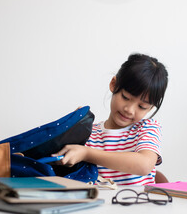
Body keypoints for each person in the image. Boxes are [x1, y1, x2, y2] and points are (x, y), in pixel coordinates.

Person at [53, 53, 168, 185]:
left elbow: (144, 165)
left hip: (139, 204)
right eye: (125, 97)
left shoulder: (147, 128)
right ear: (113, 84)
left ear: (150, 108)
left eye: (142, 106)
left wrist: (87, 154)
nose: (129, 110)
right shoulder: (90, 133)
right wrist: (71, 131)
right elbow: (63, 166)